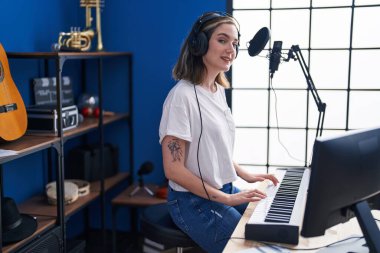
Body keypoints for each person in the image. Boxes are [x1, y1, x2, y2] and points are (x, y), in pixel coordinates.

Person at [159, 12, 279, 253]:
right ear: (199, 44)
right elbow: (173, 169)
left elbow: (214, 149)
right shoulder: (181, 97)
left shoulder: (216, 90)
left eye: (234, 43)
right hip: (191, 201)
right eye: (222, 40)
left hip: (222, 189)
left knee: (272, 226)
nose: (231, 50)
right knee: (252, 249)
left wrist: (248, 176)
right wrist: (227, 200)